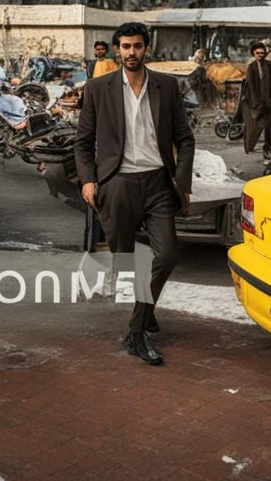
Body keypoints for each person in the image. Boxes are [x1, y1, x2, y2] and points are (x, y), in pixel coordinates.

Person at [74, 22, 195, 366]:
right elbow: (83, 142)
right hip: (117, 184)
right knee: (125, 262)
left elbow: (185, 139)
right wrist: (88, 180)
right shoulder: (98, 88)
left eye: (137, 46)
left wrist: (182, 183)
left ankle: (136, 331)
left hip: (158, 182)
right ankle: (147, 311)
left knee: (167, 255)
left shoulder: (167, 86)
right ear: (117, 50)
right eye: (125, 47)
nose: (131, 53)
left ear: (146, 49)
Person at [241, 41, 271, 161]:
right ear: (254, 54)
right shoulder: (252, 67)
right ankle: (254, 148)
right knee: (254, 128)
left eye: (262, 52)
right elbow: (251, 87)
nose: (260, 55)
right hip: (258, 106)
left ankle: (268, 151)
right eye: (258, 53)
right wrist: (256, 104)